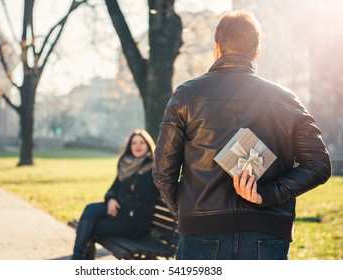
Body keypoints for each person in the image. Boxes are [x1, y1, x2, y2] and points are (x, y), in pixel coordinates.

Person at [152, 10, 331, 260]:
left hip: (201, 232)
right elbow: (319, 165)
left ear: (217, 47)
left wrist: (187, 215)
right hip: (267, 230)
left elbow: (163, 172)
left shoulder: (186, 95)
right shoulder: (286, 99)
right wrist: (267, 194)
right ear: (256, 52)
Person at [72, 129, 159, 260]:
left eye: (142, 142)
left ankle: (78, 260)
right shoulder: (125, 165)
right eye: (134, 143)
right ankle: (78, 258)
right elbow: (114, 187)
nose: (138, 145)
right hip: (121, 212)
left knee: (89, 227)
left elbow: (142, 198)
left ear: (148, 146)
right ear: (130, 146)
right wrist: (111, 199)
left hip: (134, 221)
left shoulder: (153, 168)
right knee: (90, 210)